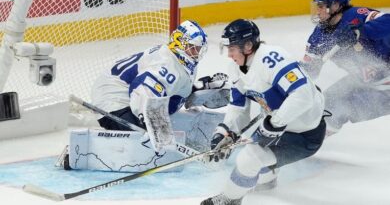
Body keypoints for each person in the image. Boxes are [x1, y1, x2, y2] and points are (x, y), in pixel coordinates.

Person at [201, 19, 327, 205]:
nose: (229, 55)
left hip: (305, 135)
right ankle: (268, 179)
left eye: (232, 49)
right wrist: (226, 131)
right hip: (283, 127)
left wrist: (274, 123)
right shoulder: (235, 69)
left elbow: (303, 95)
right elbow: (238, 107)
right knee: (256, 149)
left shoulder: (272, 58)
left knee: (249, 157)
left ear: (248, 46)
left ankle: (230, 199)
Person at [90, 20, 226, 152]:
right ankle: (93, 149)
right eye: (193, 48)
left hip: (128, 96)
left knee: (156, 133)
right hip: (113, 99)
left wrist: (200, 88)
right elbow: (142, 89)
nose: (197, 54)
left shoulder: (181, 61)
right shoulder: (167, 64)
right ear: (180, 44)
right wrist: (150, 122)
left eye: (199, 49)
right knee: (142, 144)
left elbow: (173, 91)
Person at [302, 0, 390, 134]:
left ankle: (310, 143)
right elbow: (310, 70)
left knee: (340, 107)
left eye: (322, 6)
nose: (318, 10)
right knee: (325, 103)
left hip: (386, 89)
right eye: (318, 6)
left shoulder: (358, 16)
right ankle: (309, 141)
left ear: (336, 5)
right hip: (362, 82)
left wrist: (360, 31)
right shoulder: (318, 36)